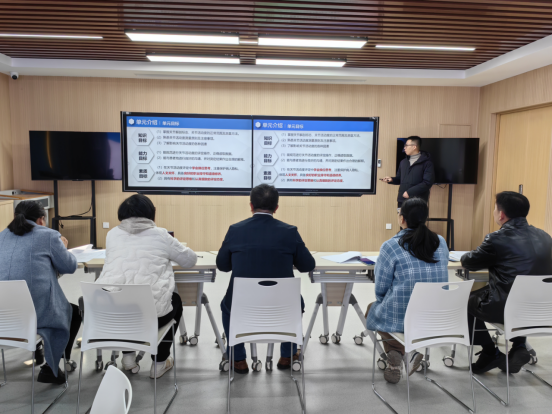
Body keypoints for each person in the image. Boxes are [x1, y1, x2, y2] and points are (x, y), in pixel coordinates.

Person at [216, 184, 316, 374]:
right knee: (296, 303)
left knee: (227, 305)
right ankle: (287, 355)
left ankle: (238, 359)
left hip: (242, 306)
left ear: (251, 206)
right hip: (281, 306)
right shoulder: (290, 231)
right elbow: (307, 265)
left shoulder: (235, 230)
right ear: (276, 207)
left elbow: (223, 266)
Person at [96, 194, 197, 378]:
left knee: (124, 298)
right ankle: (159, 362)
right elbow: (190, 260)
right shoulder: (161, 235)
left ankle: (128, 358)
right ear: (151, 213)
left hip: (112, 316)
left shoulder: (112, 234)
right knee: (175, 301)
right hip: (151, 317)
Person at [462, 191, 552, 374]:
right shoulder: (545, 237)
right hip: (541, 309)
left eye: (495, 209)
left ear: (501, 214)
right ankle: (519, 346)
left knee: (462, 301)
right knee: (522, 294)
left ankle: (490, 352)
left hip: (505, 307)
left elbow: (469, 262)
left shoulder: (496, 239)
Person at [365, 198, 449, 384]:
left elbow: (381, 288)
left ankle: (401, 353)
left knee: (372, 309)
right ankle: (403, 356)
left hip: (405, 318)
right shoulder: (441, 242)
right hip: (436, 317)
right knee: (388, 311)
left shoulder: (391, 246)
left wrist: (383, 300)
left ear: (401, 219)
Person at [0, 201, 80, 384]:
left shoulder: (1, 236)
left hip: (4, 317)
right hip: (35, 315)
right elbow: (69, 266)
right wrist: (63, 248)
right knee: (73, 312)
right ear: (41, 219)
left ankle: (39, 351)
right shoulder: (49, 235)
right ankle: (51, 367)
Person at [382, 136, 435, 210]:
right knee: (401, 217)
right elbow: (400, 178)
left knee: (416, 218)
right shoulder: (403, 162)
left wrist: (409, 192)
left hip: (418, 201)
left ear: (414, 147)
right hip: (402, 200)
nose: (404, 148)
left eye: (406, 145)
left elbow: (427, 182)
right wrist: (392, 179)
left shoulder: (427, 163)